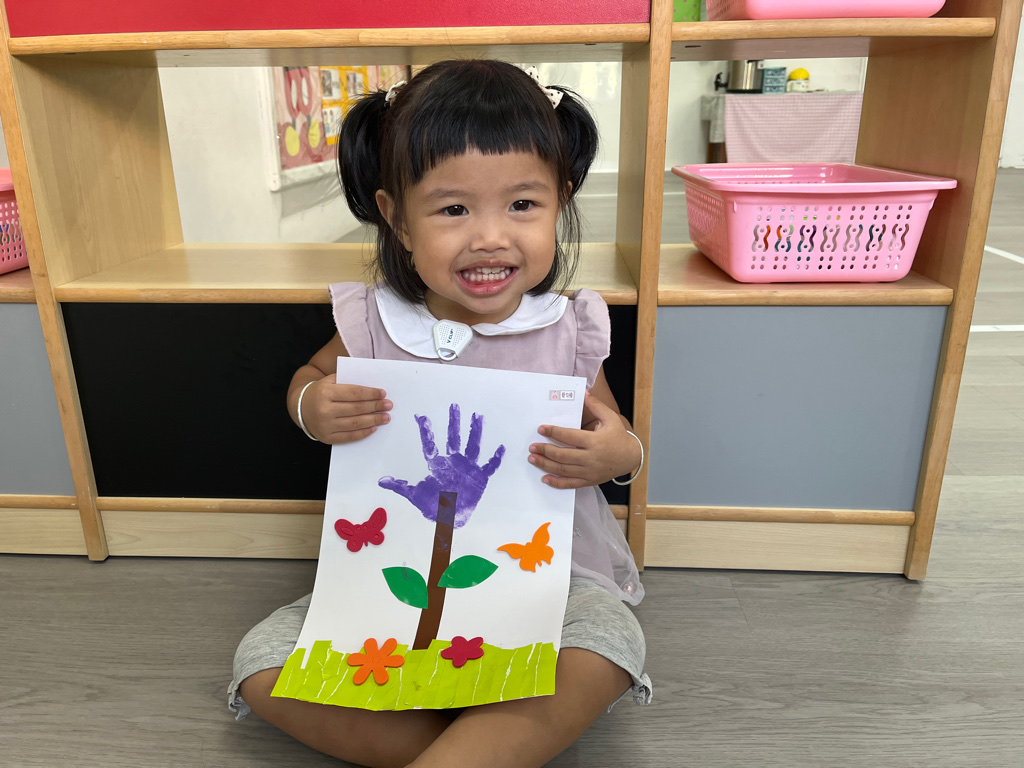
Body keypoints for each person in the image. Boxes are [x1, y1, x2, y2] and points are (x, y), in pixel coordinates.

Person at [228, 59, 651, 768]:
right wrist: (312, 406)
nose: (490, 237)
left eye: (523, 205)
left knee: (607, 645)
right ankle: (482, 745)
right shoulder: (377, 323)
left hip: (548, 582)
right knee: (262, 663)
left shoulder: (565, 328)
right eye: (454, 210)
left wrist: (617, 456)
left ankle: (469, 734)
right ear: (396, 218)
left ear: (561, 201)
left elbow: (616, 434)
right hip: (393, 587)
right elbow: (309, 379)